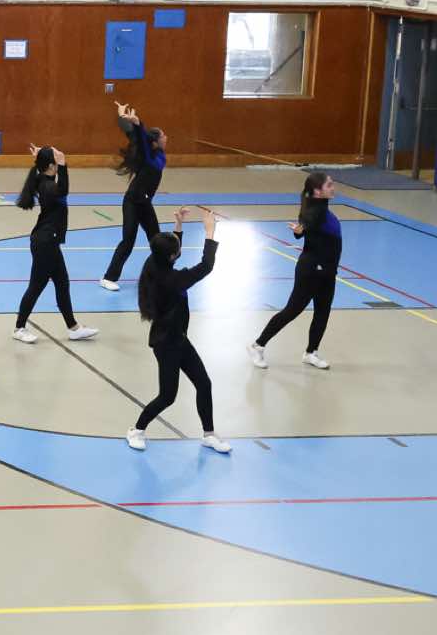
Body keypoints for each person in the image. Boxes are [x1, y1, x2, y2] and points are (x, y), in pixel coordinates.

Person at [128, 207, 230, 453]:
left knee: (203, 383)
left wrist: (179, 226)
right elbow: (206, 266)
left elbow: (171, 252)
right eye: (176, 249)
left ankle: (209, 434)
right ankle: (136, 430)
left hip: (178, 338)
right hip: (166, 343)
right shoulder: (172, 280)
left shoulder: (155, 262)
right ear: (172, 256)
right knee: (168, 396)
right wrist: (210, 232)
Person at [251, 173, 340, 371]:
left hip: (327, 271)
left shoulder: (320, 207)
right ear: (318, 191)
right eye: (329, 185)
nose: (333, 187)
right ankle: (258, 345)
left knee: (323, 312)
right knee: (292, 310)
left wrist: (302, 230)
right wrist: (302, 230)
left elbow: (308, 226)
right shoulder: (315, 211)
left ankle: (311, 352)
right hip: (311, 270)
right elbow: (308, 223)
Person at [12, 145, 100, 346]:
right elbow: (63, 189)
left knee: (62, 283)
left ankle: (73, 328)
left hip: (48, 242)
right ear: (51, 166)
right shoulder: (48, 186)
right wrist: (64, 165)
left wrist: (47, 160)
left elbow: (54, 182)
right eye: (55, 158)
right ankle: (19, 328)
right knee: (37, 286)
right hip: (45, 243)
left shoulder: (42, 179)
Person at [100, 100, 167, 291]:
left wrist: (122, 116)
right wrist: (137, 123)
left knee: (157, 240)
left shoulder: (157, 154)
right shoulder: (149, 156)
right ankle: (108, 278)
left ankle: (162, 275)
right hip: (132, 203)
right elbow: (139, 137)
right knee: (128, 241)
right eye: (163, 136)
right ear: (154, 142)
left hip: (145, 203)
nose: (166, 137)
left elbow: (133, 135)